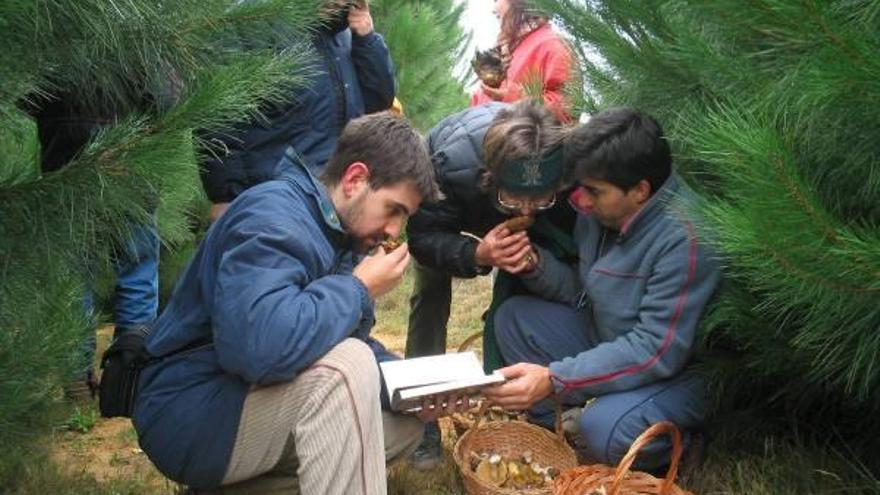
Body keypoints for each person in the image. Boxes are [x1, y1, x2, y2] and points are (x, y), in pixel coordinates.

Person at [132, 112, 449, 492]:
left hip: (236, 400)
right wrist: (357, 289)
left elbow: (333, 336)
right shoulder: (273, 217)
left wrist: (410, 387)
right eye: (394, 209)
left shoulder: (336, 231)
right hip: (190, 411)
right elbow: (257, 349)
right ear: (355, 180)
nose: (395, 231)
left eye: (405, 217)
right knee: (349, 368)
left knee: (404, 423)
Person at [482, 108, 722, 471]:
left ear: (640, 191)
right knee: (513, 319)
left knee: (606, 431)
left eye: (594, 192)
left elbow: (655, 351)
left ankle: (681, 441)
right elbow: (585, 292)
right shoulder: (599, 212)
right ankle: (562, 432)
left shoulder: (686, 239)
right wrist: (536, 265)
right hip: (608, 338)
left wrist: (554, 379)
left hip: (677, 373)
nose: (583, 202)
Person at [404, 101, 576, 469]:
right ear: (490, 177)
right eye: (514, 199)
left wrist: (530, 263)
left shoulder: (560, 163)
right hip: (451, 208)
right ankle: (423, 421)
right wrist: (477, 254)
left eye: (540, 199)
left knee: (523, 287)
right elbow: (423, 238)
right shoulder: (450, 164)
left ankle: (530, 405)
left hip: (505, 194)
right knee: (430, 298)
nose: (526, 212)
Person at [24, 85, 163, 399]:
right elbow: (168, 96)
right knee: (137, 273)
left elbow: (29, 95)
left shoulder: (51, 39)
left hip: (65, 166)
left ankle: (75, 376)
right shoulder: (138, 37)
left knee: (72, 277)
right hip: (132, 167)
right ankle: (128, 375)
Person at [200, 0, 396, 221]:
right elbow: (214, 115)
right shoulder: (251, 22)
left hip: (335, 201)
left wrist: (367, 41)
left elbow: (379, 102)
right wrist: (226, 195)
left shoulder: (349, 35)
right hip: (269, 203)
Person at [470, 0, 573, 122]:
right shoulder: (505, 49)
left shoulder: (552, 45)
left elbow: (566, 112)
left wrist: (516, 99)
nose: (493, 10)